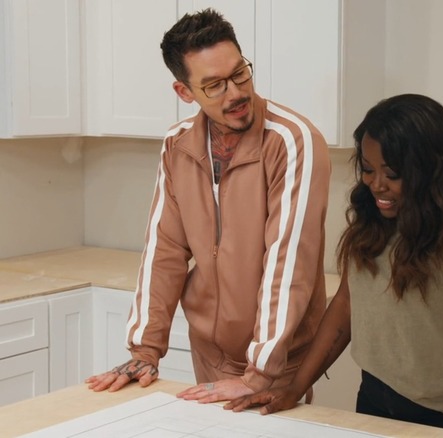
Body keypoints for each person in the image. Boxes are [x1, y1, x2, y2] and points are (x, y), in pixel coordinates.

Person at [226, 94, 443, 438]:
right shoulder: (373, 209)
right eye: (369, 170)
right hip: (377, 403)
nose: (377, 184)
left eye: (392, 173)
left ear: (430, 167)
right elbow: (346, 306)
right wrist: (294, 387)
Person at [85, 8, 331, 405]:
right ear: (185, 92)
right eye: (214, 85)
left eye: (239, 73)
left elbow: (290, 263)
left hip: (277, 360)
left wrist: (260, 373)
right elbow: (164, 249)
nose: (235, 93)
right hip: (209, 354)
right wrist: (145, 349)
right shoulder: (177, 144)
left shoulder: (291, 140)